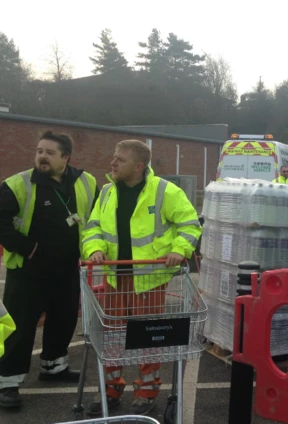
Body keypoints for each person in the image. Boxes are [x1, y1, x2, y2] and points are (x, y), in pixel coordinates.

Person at [82, 139, 202, 416]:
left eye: (119, 159)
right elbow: (93, 227)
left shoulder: (164, 191)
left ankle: (146, 391)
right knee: (112, 337)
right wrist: (95, 248)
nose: (112, 163)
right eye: (114, 157)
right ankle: (110, 390)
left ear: (138, 166)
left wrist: (178, 250)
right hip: (114, 276)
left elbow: (190, 224)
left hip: (149, 278)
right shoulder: (107, 193)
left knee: (148, 337)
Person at [0, 131, 98, 408]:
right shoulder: (18, 184)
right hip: (28, 271)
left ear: (65, 157)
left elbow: (98, 217)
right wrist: (25, 246)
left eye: (49, 152)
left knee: (63, 320)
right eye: (39, 151)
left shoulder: (86, 181)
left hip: (67, 269)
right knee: (19, 328)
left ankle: (53, 368)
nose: (42, 156)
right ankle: (7, 382)